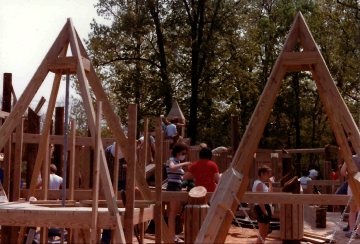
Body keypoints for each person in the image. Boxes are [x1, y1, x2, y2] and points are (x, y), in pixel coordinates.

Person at [166, 142, 191, 243]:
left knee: (176, 212)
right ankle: (171, 236)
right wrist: (184, 164)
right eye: (183, 153)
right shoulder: (171, 160)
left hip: (178, 186)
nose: (184, 155)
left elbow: (181, 177)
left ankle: (173, 235)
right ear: (177, 152)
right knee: (173, 213)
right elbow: (171, 168)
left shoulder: (177, 162)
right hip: (173, 187)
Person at [341, 143, 360, 239]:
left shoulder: (351, 158)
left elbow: (343, 171)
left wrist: (350, 176)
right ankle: (359, 232)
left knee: (353, 210)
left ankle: (351, 230)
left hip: (352, 184)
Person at [252, 165, 274, 244]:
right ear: (262, 174)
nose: (269, 176)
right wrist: (265, 211)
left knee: (264, 233)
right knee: (262, 234)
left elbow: (269, 194)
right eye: (267, 174)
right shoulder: (259, 184)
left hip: (264, 207)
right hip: (261, 208)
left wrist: (270, 183)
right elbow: (259, 200)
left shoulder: (263, 184)